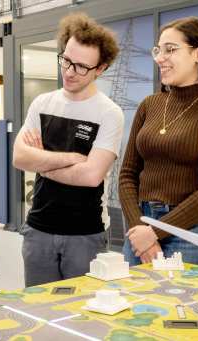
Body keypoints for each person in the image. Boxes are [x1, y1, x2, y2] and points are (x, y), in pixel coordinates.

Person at [119, 16, 198, 268]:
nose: (159, 58)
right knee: (137, 305)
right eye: (158, 50)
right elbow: (127, 175)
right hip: (141, 225)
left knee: (182, 306)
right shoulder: (150, 105)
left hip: (192, 231)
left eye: (170, 50)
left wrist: (155, 232)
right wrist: (139, 227)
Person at [13, 13, 124, 286]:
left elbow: (90, 177)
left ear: (101, 68)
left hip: (84, 235)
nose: (70, 71)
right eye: (66, 60)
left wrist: (42, 163)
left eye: (82, 67)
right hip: (38, 231)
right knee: (39, 315)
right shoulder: (42, 103)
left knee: (82, 318)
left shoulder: (109, 113)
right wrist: (69, 159)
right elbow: (19, 157)